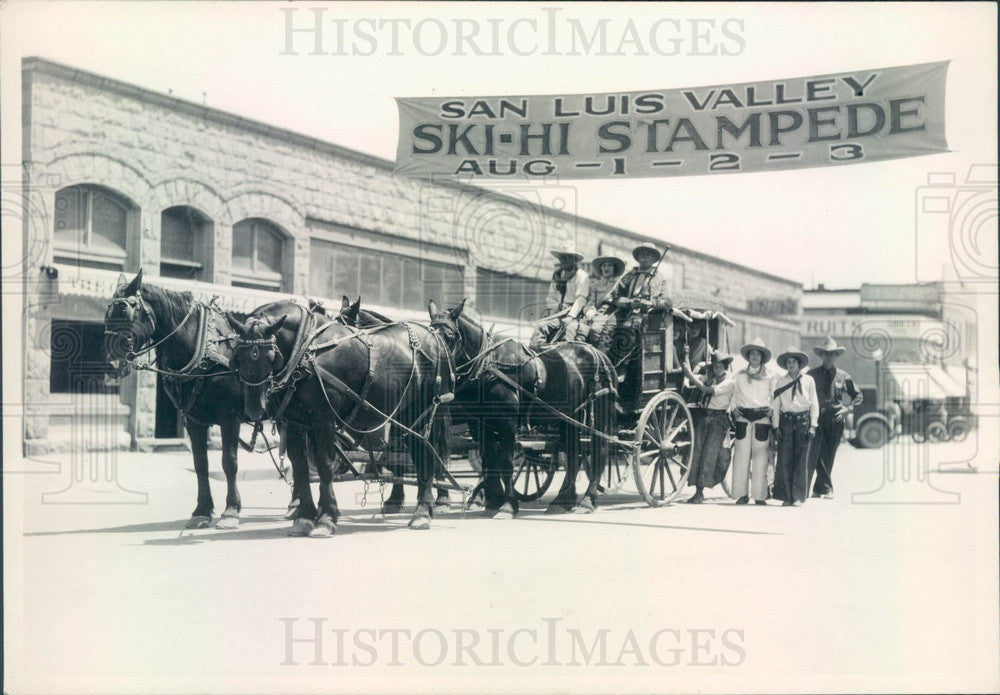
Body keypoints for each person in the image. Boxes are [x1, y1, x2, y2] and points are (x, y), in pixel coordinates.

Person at [807, 337, 863, 498]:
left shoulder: (843, 376)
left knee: (829, 454)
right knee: (816, 453)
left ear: (836, 356)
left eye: (832, 354)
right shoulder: (811, 375)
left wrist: (848, 409)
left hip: (836, 419)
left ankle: (819, 489)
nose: (828, 357)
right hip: (816, 418)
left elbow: (858, 395)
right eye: (826, 354)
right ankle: (826, 487)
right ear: (821, 355)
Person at [682, 348, 736, 504]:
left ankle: (700, 492)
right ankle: (697, 491)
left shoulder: (729, 382)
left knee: (709, 454)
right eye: (714, 365)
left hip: (718, 420)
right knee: (698, 451)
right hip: (705, 417)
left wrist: (690, 375)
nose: (716, 368)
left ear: (725, 366)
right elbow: (698, 378)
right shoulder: (712, 378)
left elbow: (707, 390)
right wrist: (688, 363)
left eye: (719, 365)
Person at [729, 339, 776, 505]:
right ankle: (741, 494)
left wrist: (771, 409)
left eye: (758, 353)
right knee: (741, 457)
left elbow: (774, 396)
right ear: (748, 356)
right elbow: (733, 394)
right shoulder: (740, 375)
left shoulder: (770, 376)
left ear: (762, 357)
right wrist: (734, 408)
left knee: (761, 458)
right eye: (752, 353)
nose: (755, 356)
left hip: (762, 418)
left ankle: (760, 495)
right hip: (743, 418)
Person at [771, 347, 819, 507]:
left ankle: (798, 496)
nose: (791, 365)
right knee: (784, 458)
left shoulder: (809, 381)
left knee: (801, 460)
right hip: (786, 422)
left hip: (803, 422)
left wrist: (813, 425)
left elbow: (814, 403)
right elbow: (776, 405)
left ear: (800, 364)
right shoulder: (780, 381)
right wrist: (776, 426)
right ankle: (786, 496)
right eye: (788, 362)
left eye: (794, 362)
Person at [530, 249, 590, 347]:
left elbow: (581, 299)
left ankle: (565, 356)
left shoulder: (581, 276)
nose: (563, 261)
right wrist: (560, 305)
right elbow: (550, 298)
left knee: (569, 330)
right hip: (559, 313)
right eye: (561, 258)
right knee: (540, 326)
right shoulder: (557, 275)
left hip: (576, 315)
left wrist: (571, 316)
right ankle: (537, 351)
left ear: (573, 260)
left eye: (566, 258)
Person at [608, 244, 673, 318]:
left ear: (654, 258)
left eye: (649, 254)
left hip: (649, 314)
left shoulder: (659, 278)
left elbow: (668, 303)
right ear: (638, 257)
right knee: (608, 327)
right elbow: (616, 296)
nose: (645, 256)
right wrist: (629, 303)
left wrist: (650, 303)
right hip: (625, 312)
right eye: (642, 254)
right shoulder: (630, 275)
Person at [581, 255, 625, 346]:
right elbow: (591, 302)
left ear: (614, 269)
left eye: (609, 265)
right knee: (581, 329)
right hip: (597, 311)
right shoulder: (595, 285)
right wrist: (590, 311)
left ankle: (598, 356)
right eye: (604, 265)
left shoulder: (619, 284)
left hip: (613, 312)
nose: (606, 268)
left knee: (595, 330)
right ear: (600, 268)